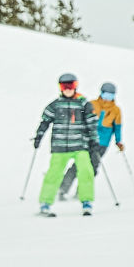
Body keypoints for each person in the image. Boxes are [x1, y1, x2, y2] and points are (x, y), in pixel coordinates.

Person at [34, 73, 99, 216]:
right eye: (65, 86)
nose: (68, 89)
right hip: (60, 146)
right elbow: (44, 121)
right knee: (53, 174)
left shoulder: (83, 104)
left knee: (86, 171)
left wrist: (94, 140)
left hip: (80, 145)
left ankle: (86, 201)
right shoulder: (56, 105)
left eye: (71, 86)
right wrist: (39, 136)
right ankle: (45, 203)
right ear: (60, 88)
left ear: (76, 87)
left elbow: (92, 123)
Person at [59, 81, 121, 200]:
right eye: (105, 94)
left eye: (110, 95)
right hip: (87, 140)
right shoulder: (92, 104)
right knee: (77, 165)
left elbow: (117, 128)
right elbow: (80, 118)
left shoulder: (116, 110)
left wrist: (118, 141)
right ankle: (63, 189)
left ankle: (82, 191)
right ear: (101, 93)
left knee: (92, 167)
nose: (107, 98)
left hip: (102, 143)